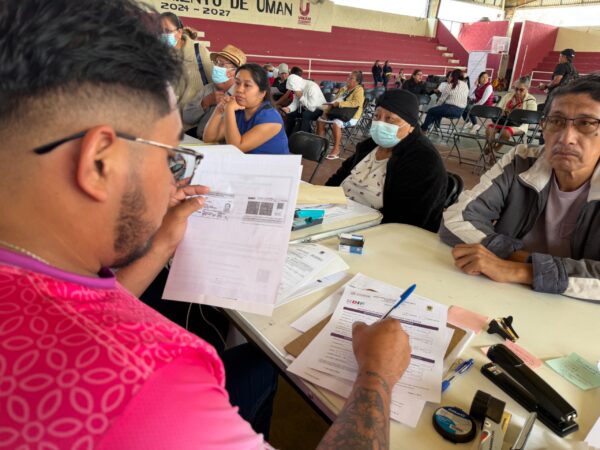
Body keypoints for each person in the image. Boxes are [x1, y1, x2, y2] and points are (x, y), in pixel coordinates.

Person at [0, 0, 414, 448]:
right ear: (101, 163)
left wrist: (162, 243)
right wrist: (376, 377)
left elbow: (90, 304)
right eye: (171, 159)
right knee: (263, 362)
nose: (175, 179)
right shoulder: (153, 379)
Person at [440, 74, 600, 301]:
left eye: (586, 123)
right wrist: (514, 255)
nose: (566, 138)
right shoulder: (522, 161)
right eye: (556, 121)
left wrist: (521, 270)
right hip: (501, 293)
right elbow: (456, 218)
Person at [326, 90, 447, 231]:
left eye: (390, 119)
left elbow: (405, 220)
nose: (380, 123)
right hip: (336, 217)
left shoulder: (424, 161)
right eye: (376, 116)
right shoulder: (369, 146)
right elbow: (337, 179)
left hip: (376, 232)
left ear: (411, 126)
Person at [203, 63, 289, 154]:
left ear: (262, 93)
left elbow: (236, 148)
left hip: (270, 164)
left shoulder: (271, 118)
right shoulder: (239, 110)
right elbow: (209, 138)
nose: (239, 89)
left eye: (247, 85)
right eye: (237, 83)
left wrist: (229, 109)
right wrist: (219, 110)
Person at [182, 44, 247, 138]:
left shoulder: (240, 95)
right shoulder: (208, 88)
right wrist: (205, 103)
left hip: (221, 144)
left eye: (221, 64)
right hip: (199, 139)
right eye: (216, 62)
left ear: (234, 71)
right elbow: (187, 117)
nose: (216, 67)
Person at [160, 13, 212, 129]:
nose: (163, 35)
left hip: (193, 126)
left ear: (179, 32)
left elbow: (216, 84)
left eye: (167, 31)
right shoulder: (157, 56)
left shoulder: (198, 51)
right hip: (167, 126)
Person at [484, 77, 537, 161]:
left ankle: (494, 150)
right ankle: (491, 150)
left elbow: (531, 116)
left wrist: (517, 114)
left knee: (506, 132)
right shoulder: (508, 96)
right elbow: (499, 109)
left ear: (527, 89)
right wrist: (504, 112)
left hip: (519, 125)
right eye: (516, 89)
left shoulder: (531, 100)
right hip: (503, 121)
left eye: (521, 90)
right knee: (489, 128)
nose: (518, 92)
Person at [316, 71, 365, 160]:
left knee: (336, 123)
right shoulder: (343, 89)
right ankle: (320, 146)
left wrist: (340, 104)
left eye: (351, 78)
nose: (348, 79)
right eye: (348, 77)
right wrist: (326, 111)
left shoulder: (359, 90)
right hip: (338, 113)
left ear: (357, 81)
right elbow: (334, 101)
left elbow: (356, 103)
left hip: (351, 116)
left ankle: (336, 149)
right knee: (320, 120)